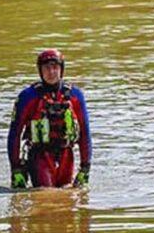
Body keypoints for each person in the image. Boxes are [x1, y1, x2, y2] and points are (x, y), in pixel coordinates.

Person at [8, 49, 91, 189]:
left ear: (61, 69)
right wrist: (16, 169)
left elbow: (85, 133)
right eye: (46, 68)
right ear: (40, 71)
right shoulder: (28, 97)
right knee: (45, 193)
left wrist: (85, 167)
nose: (51, 72)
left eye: (55, 67)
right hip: (40, 157)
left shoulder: (75, 96)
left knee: (67, 195)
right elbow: (14, 134)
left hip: (66, 156)